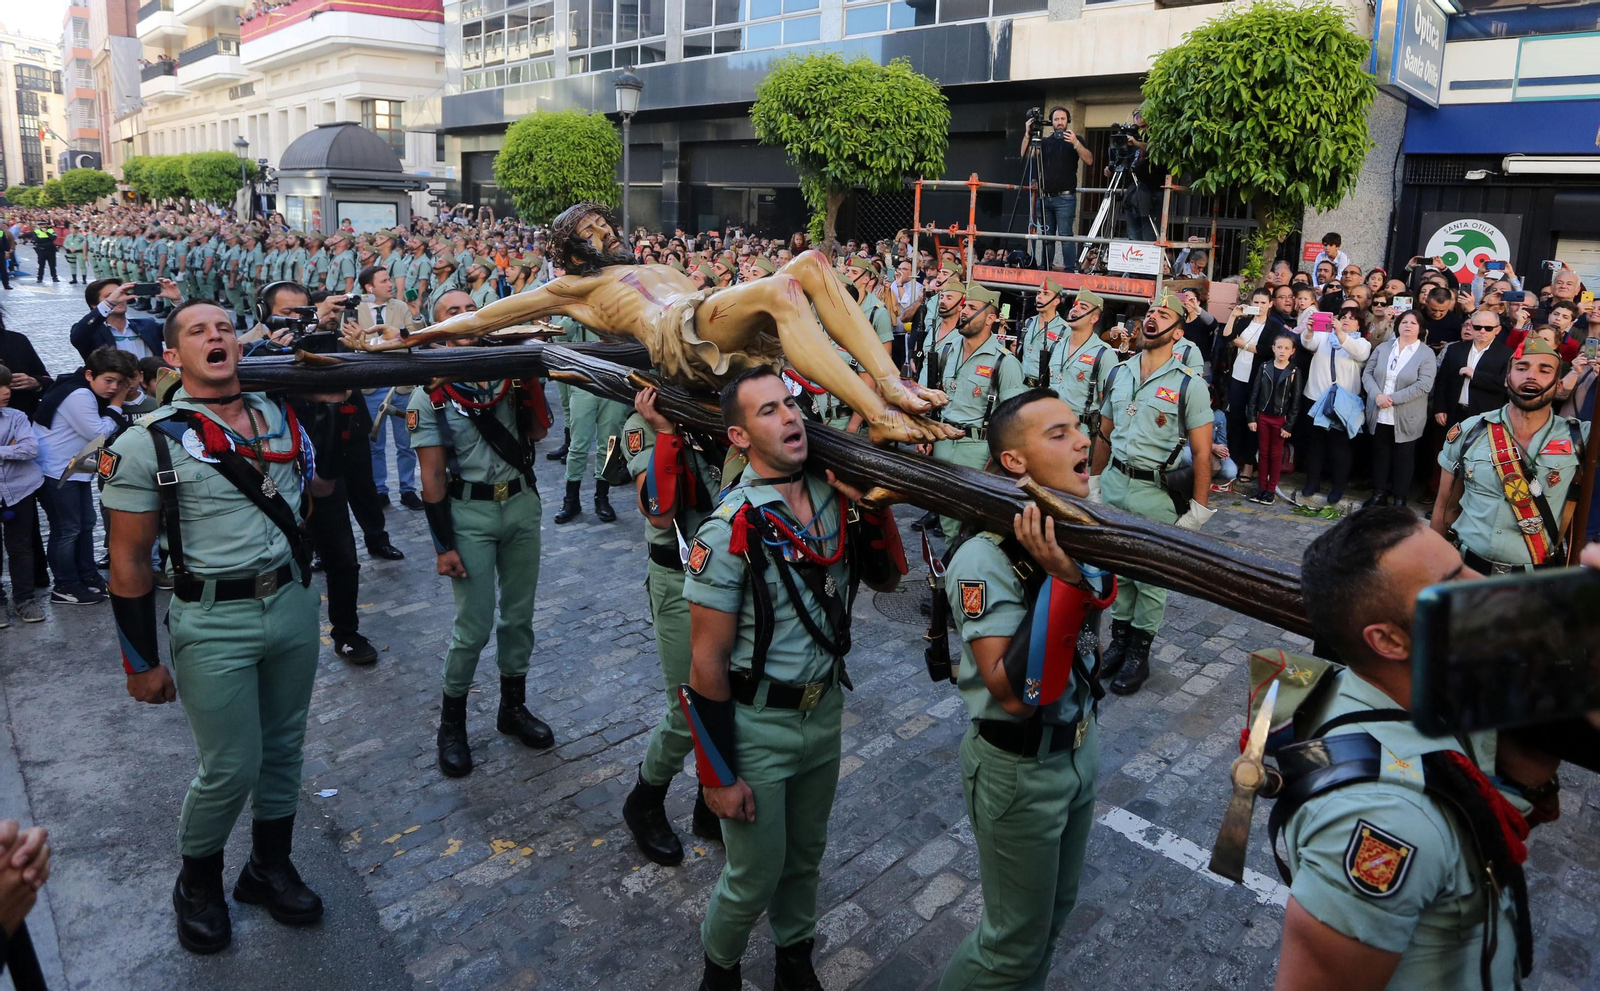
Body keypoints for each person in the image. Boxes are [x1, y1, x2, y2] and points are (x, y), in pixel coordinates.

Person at [102, 299, 326, 955]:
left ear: (239, 345)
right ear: (174, 356)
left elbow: (319, 491)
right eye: (198, 331)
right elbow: (128, 561)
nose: (215, 336)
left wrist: (335, 411)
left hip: (291, 602)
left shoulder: (281, 415)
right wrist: (140, 661)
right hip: (211, 619)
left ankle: (268, 867)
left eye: (225, 327)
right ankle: (197, 883)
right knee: (230, 765)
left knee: (284, 748)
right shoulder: (145, 442)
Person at [683, 366, 904, 991]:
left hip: (823, 711)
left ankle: (794, 962)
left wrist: (872, 512)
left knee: (805, 857)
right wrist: (717, 776)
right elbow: (705, 663)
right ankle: (719, 973)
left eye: (790, 404)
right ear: (738, 436)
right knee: (753, 875)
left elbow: (887, 581)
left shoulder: (834, 495)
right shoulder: (728, 528)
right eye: (768, 411)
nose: (789, 418)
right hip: (758, 726)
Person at [1275, 505, 1542, 991]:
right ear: (1389, 640)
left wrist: (1524, 780)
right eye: (1452, 583)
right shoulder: (1387, 822)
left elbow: (1466, 818)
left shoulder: (1429, 691)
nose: (1483, 585)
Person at [937, 389, 1113, 990]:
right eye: (1058, 434)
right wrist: (1062, 581)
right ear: (1015, 461)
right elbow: (1015, 693)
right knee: (1009, 945)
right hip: (1021, 767)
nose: (1083, 439)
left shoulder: (1073, 526)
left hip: (1078, 749)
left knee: (1050, 924)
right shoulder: (983, 558)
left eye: (1078, 427)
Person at [408, 290, 555, 778]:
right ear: (438, 330)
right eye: (452, 312)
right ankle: (452, 726)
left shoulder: (508, 375)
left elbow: (538, 434)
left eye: (472, 309)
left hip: (520, 504)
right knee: (472, 626)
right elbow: (432, 476)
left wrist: (527, 377)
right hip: (468, 513)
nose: (465, 316)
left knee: (519, 617)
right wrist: (443, 546)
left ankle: (513, 708)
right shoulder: (429, 394)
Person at [618, 385, 726, 865]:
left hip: (724, 576)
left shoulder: (718, 416)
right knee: (689, 704)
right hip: (679, 578)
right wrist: (665, 432)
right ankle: (645, 799)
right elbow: (659, 513)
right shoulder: (640, 426)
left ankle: (708, 803)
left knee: (725, 694)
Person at [1089, 290, 1214, 695]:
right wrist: (1094, 481)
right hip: (1115, 483)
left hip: (1156, 492)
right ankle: (1119, 641)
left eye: (1163, 314)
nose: (1152, 318)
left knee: (1151, 578)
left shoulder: (1189, 385)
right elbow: (1104, 434)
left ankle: (1139, 654)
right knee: (1120, 570)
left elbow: (1202, 452)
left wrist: (1198, 510)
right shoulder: (1119, 372)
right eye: (1150, 312)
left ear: (1177, 332)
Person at [261, 282, 380, 665]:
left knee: (343, 557)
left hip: (324, 468)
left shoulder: (327, 342)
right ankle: (275, 634)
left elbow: (356, 381)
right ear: (265, 315)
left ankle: (346, 632)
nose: (298, 320)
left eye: (304, 312)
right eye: (288, 313)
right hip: (273, 477)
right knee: (279, 559)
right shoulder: (255, 352)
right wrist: (270, 353)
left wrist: (353, 343)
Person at [1433, 336, 1587, 574]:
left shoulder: (1579, 437)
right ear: (1507, 379)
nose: (1531, 376)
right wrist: (1433, 568)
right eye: (1521, 368)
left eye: (1544, 370)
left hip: (1534, 580)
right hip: (1466, 572)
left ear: (1559, 385)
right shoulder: (1470, 431)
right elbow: (1445, 506)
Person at [918, 283, 1026, 543]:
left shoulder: (1005, 362)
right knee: (948, 526)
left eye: (972, 307)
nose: (964, 311)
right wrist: (924, 431)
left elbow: (1013, 422)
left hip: (978, 453)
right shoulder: (947, 350)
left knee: (973, 529)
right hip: (943, 445)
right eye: (964, 306)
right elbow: (930, 395)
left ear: (990, 319)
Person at [34, 346, 137, 605]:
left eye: (119, 383)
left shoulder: (81, 388)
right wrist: (116, 404)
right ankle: (65, 585)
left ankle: (88, 576)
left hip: (74, 469)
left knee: (85, 524)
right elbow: (97, 434)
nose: (114, 388)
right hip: (57, 471)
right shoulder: (79, 394)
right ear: (90, 374)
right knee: (67, 530)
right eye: (109, 380)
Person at [1296, 306, 1371, 509]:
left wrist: (1340, 333)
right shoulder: (1324, 336)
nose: (1346, 320)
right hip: (1315, 397)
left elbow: (1360, 354)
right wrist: (1309, 330)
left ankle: (1338, 487)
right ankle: (1312, 482)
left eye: (1352, 318)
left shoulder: (1361, 343)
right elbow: (1308, 343)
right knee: (1315, 443)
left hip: (1343, 403)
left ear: (1359, 325)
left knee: (1340, 446)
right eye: (1343, 316)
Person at [1361, 311, 1435, 508]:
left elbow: (1424, 385)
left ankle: (1400, 499)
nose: (1408, 326)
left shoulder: (1426, 353)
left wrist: (1392, 399)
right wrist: (1377, 395)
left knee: (1403, 458)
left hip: (1406, 415)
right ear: (1397, 325)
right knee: (1380, 455)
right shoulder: (1384, 348)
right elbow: (1367, 373)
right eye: (1404, 322)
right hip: (1379, 411)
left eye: (1413, 323)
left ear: (1420, 328)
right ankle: (1379, 494)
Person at [1020, 107, 1091, 273]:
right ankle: (1045, 268)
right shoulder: (1045, 141)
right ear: (1051, 122)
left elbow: (1089, 160)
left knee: (1065, 236)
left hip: (1065, 197)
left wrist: (1076, 143)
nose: (1059, 122)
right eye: (1056, 119)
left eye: (1062, 119)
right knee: (1047, 237)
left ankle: (1069, 270)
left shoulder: (1076, 139)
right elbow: (1025, 154)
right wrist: (1027, 134)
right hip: (1045, 197)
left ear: (1068, 121)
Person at [0, 365, 44, 625]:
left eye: (7, 386)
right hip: (16, 485)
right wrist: (9, 448)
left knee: (21, 547)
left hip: (20, 489)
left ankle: (24, 599)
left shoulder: (16, 416)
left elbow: (31, 449)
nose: (6, 392)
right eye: (0, 387)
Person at [1433, 309, 1512, 435]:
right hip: (1454, 413)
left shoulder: (1506, 354)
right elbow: (1442, 381)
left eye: (1488, 328)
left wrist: (1475, 375)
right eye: (1477, 327)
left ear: (1498, 330)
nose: (1482, 331)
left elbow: (1505, 384)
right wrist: (1439, 408)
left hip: (1485, 416)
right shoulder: (1455, 349)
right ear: (1471, 327)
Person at [1246, 333, 1300, 504]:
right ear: (1273, 348)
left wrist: (1289, 425)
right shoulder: (1264, 367)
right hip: (1263, 417)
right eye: (1279, 347)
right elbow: (1255, 394)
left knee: (1276, 455)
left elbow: (1296, 401)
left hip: (1280, 419)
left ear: (1292, 351)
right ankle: (1261, 488)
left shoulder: (1294, 371)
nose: (1282, 351)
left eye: (1286, 348)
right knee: (1263, 453)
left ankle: (1270, 490)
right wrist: (1252, 417)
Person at [70, 278, 175, 363]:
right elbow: (77, 336)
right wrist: (110, 303)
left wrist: (177, 301)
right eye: (110, 296)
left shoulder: (148, 325)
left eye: (121, 293)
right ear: (94, 305)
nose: (119, 299)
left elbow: (179, 328)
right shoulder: (91, 333)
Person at [1017, 278, 1068, 388]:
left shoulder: (1065, 329)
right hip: (1021, 386)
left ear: (1056, 301)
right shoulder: (1029, 322)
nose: (1039, 296)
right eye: (1038, 293)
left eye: (1046, 294)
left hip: (1044, 388)